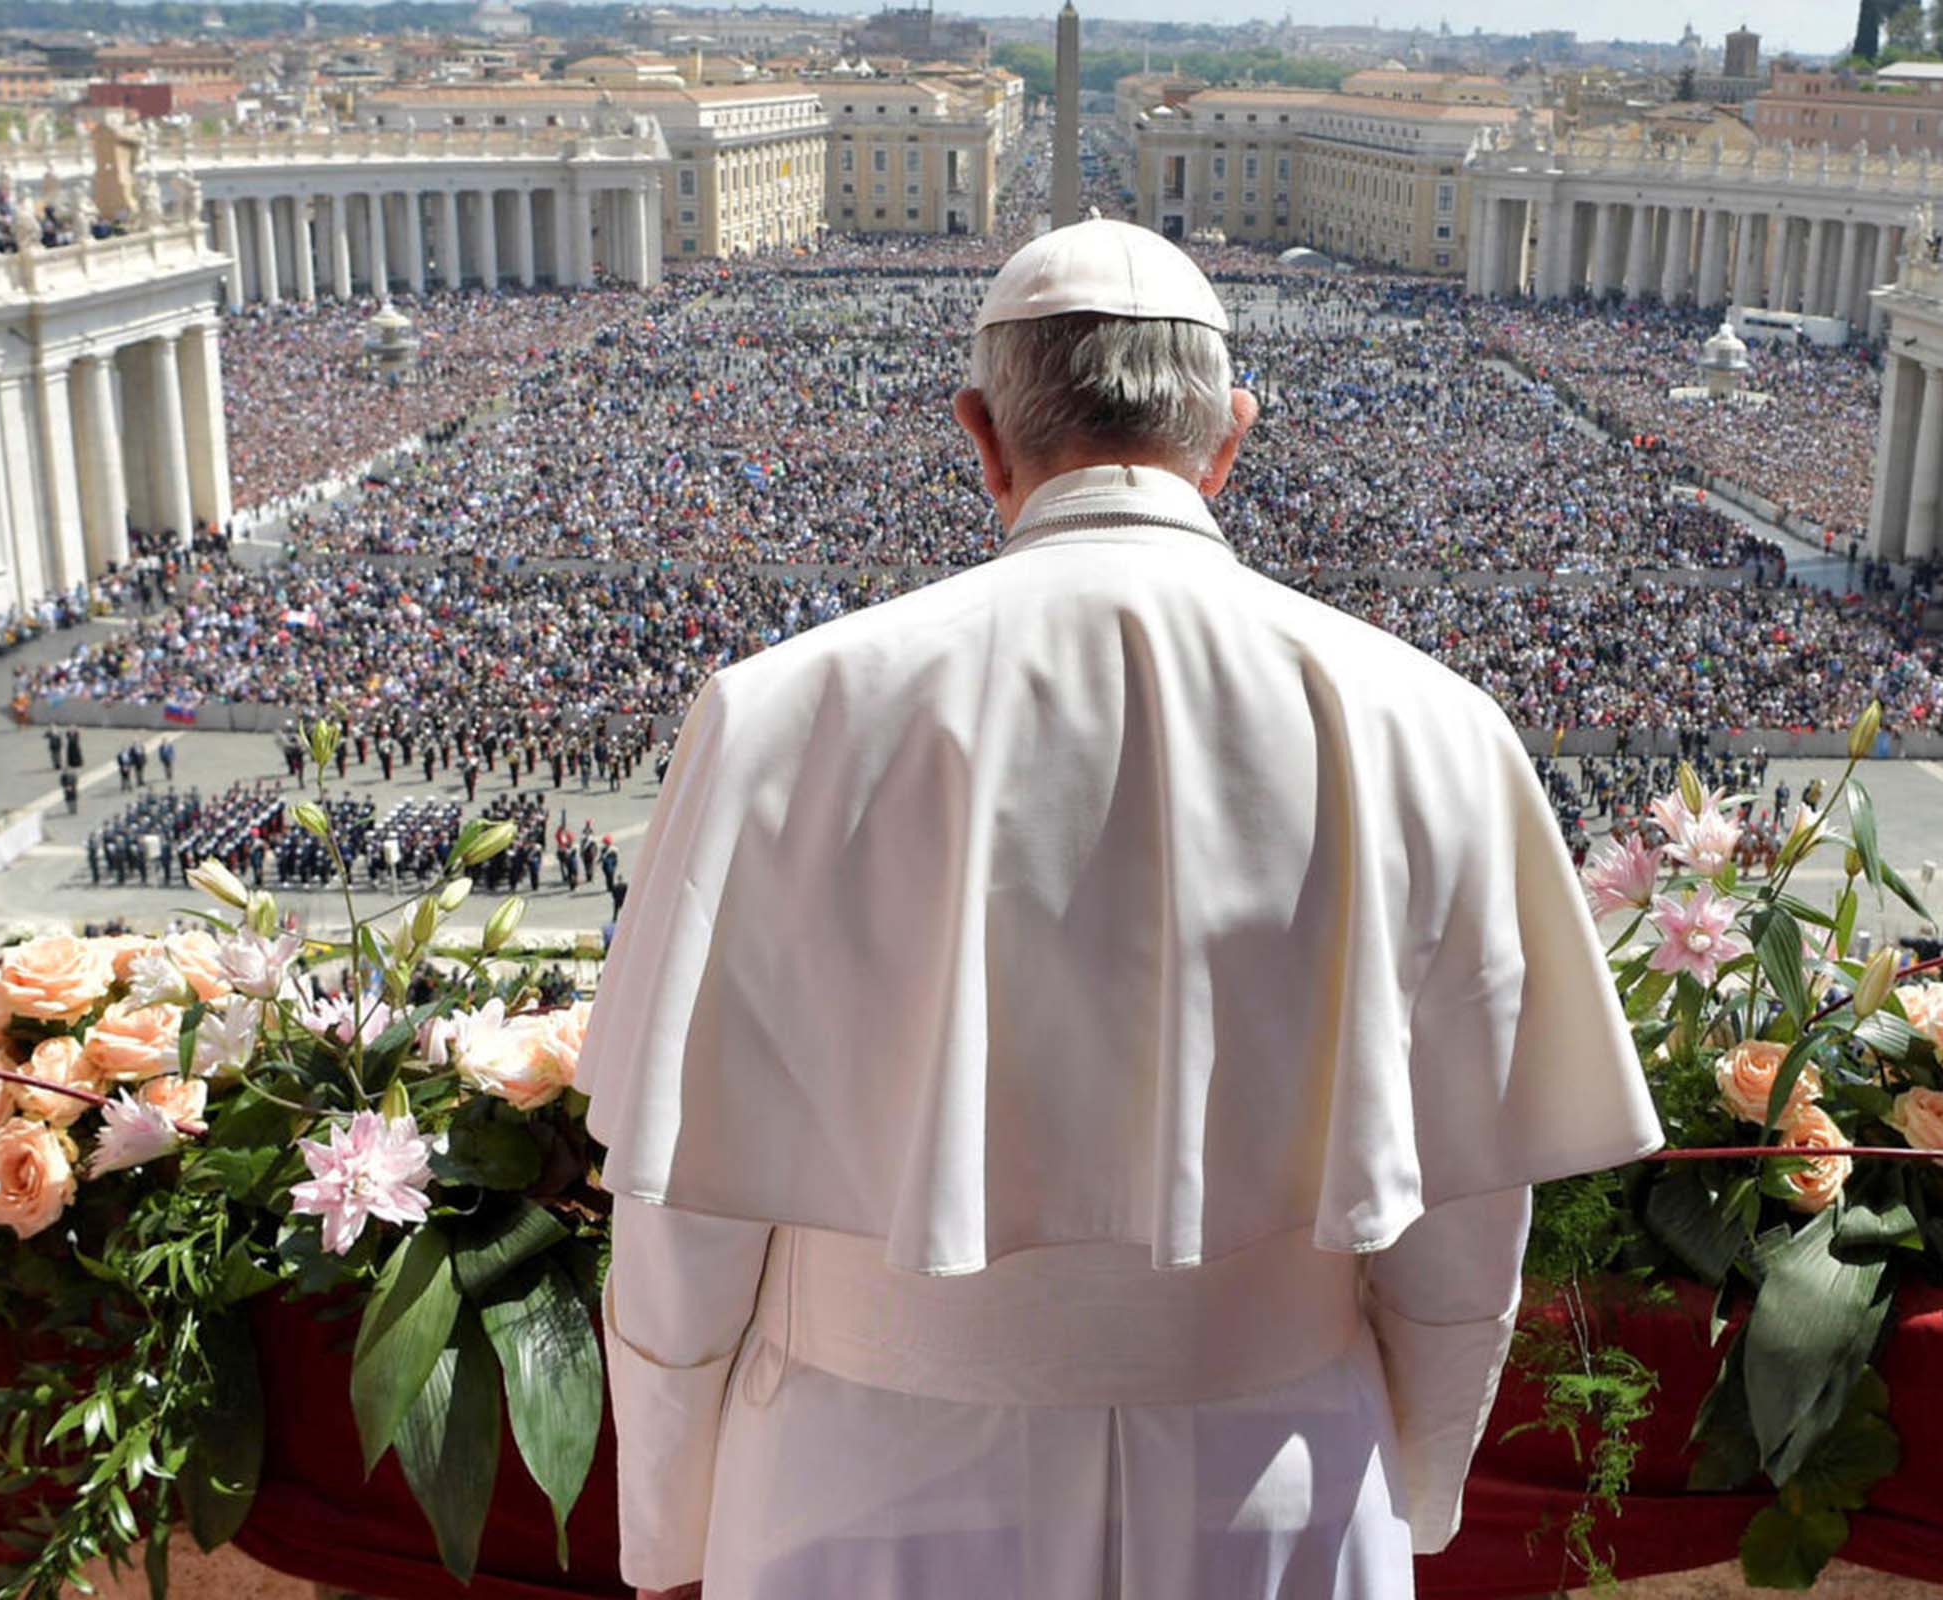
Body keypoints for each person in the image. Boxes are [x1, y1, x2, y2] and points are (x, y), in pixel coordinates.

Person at [577, 220, 1662, 1600]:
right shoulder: (1433, 724)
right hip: (1278, 1476)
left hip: (860, 1478)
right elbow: (1462, 1220)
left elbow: (686, 1207)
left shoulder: (779, 715)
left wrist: (669, 1516)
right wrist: (1421, 1476)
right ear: (1230, 439)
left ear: (982, 436)